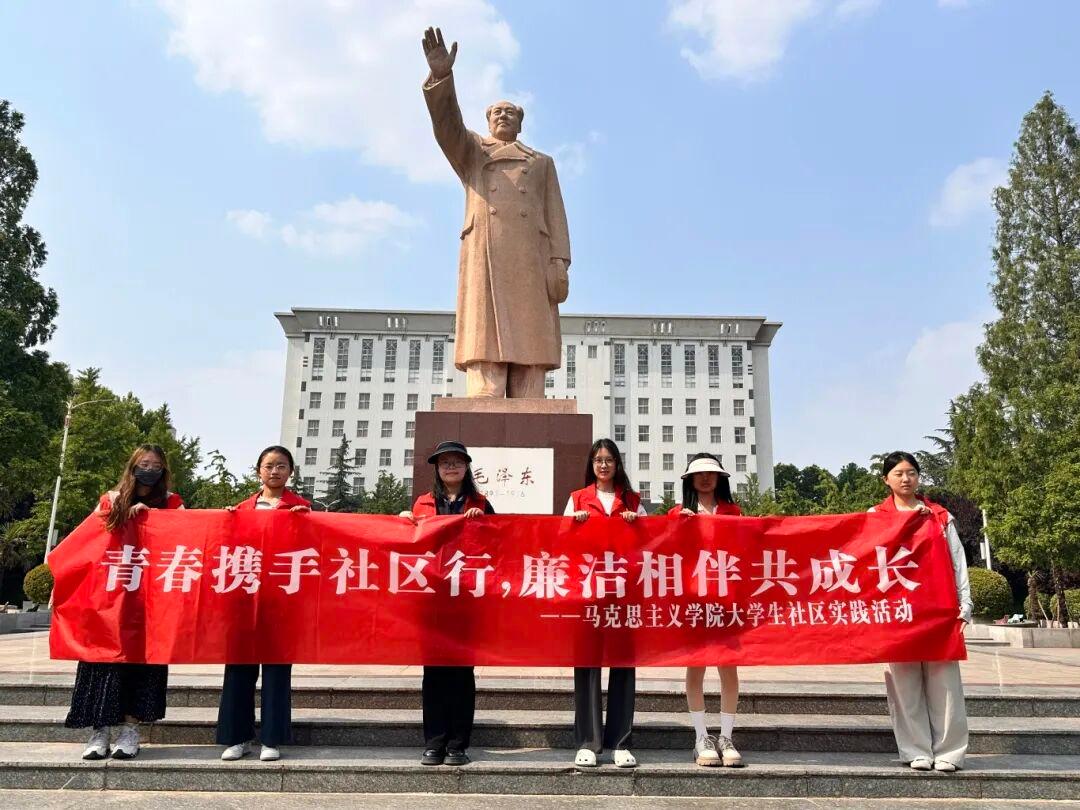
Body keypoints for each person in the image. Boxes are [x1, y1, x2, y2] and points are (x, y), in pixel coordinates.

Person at [421, 26, 572, 398]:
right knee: (485, 333)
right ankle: (486, 380)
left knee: (530, 342)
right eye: (497, 112)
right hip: (486, 249)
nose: (503, 116)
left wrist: (560, 261)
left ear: (520, 122)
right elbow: (447, 127)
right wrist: (442, 78)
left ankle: (527, 383)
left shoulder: (541, 162)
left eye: (510, 113)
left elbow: (556, 214)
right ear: (488, 121)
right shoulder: (472, 151)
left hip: (530, 257)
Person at [66, 444, 184, 760]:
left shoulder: (173, 503)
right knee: (103, 663)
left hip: (151, 602)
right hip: (110, 600)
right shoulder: (111, 499)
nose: (149, 469)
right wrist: (120, 516)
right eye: (143, 463)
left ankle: (131, 731)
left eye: (155, 464)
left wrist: (156, 519)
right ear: (132, 466)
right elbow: (88, 539)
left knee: (143, 665)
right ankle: (99, 732)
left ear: (164, 470)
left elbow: (189, 537)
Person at [870, 451, 972, 772]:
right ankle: (915, 749)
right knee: (903, 684)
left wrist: (964, 604)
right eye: (898, 473)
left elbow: (958, 562)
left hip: (938, 612)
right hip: (897, 612)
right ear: (886, 479)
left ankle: (949, 752)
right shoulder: (875, 517)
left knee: (945, 684)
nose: (905, 478)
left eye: (911, 472)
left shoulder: (939, 517)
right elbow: (864, 564)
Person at [400, 440, 494, 766]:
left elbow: (498, 545)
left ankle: (458, 744)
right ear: (437, 470)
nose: (450, 467)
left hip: (466, 600)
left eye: (456, 461)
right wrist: (404, 523)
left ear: (467, 467)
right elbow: (409, 546)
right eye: (444, 463)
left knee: (462, 675)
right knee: (434, 674)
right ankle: (434, 742)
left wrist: (483, 522)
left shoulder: (480, 502)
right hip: (432, 600)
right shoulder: (423, 504)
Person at [216, 446, 310, 762]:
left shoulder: (303, 508)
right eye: (269, 465)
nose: (275, 471)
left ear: (290, 472)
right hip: (244, 599)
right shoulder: (241, 509)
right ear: (258, 470)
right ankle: (237, 737)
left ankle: (272, 738)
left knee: (276, 671)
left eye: (281, 466)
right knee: (239, 669)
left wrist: (306, 524)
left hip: (282, 602)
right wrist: (226, 523)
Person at [563, 438, 647, 769]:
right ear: (591, 464)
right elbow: (560, 543)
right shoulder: (577, 499)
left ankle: (620, 742)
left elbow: (650, 544)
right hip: (588, 593)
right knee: (587, 666)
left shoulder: (633, 501)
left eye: (609, 459)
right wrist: (574, 526)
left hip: (623, 593)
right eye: (598, 459)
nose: (603, 465)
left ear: (617, 464)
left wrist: (636, 527)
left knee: (624, 667)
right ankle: (588, 741)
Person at [668, 453, 744, 767]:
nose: (705, 479)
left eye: (711, 474)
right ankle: (701, 736)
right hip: (694, 602)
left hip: (727, 600)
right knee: (696, 667)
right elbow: (665, 557)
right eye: (699, 474)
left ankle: (726, 735)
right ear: (689, 480)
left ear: (720, 479)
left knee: (728, 668)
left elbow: (745, 550)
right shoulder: (676, 514)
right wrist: (679, 529)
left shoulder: (734, 512)